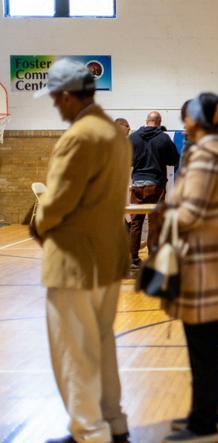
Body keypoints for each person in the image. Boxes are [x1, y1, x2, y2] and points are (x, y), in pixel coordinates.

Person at [31, 58, 131, 443]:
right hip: (106, 256)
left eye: (56, 98)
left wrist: (37, 222)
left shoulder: (79, 136)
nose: (56, 105)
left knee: (74, 350)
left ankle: (90, 432)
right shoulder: (113, 133)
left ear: (70, 95)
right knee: (101, 343)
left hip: (73, 259)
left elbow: (56, 203)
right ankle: (113, 421)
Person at [161, 93, 218, 443]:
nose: (183, 123)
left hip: (197, 258)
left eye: (186, 117)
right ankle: (201, 413)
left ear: (197, 119)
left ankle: (204, 424)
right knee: (201, 343)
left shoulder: (207, 155)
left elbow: (192, 213)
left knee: (203, 344)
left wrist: (163, 215)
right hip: (200, 255)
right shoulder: (210, 151)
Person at [129, 111, 180, 269]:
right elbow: (174, 160)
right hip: (155, 185)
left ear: (146, 121)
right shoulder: (163, 138)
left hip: (137, 184)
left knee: (136, 223)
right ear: (159, 122)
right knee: (154, 223)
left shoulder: (133, 137)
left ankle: (133, 259)